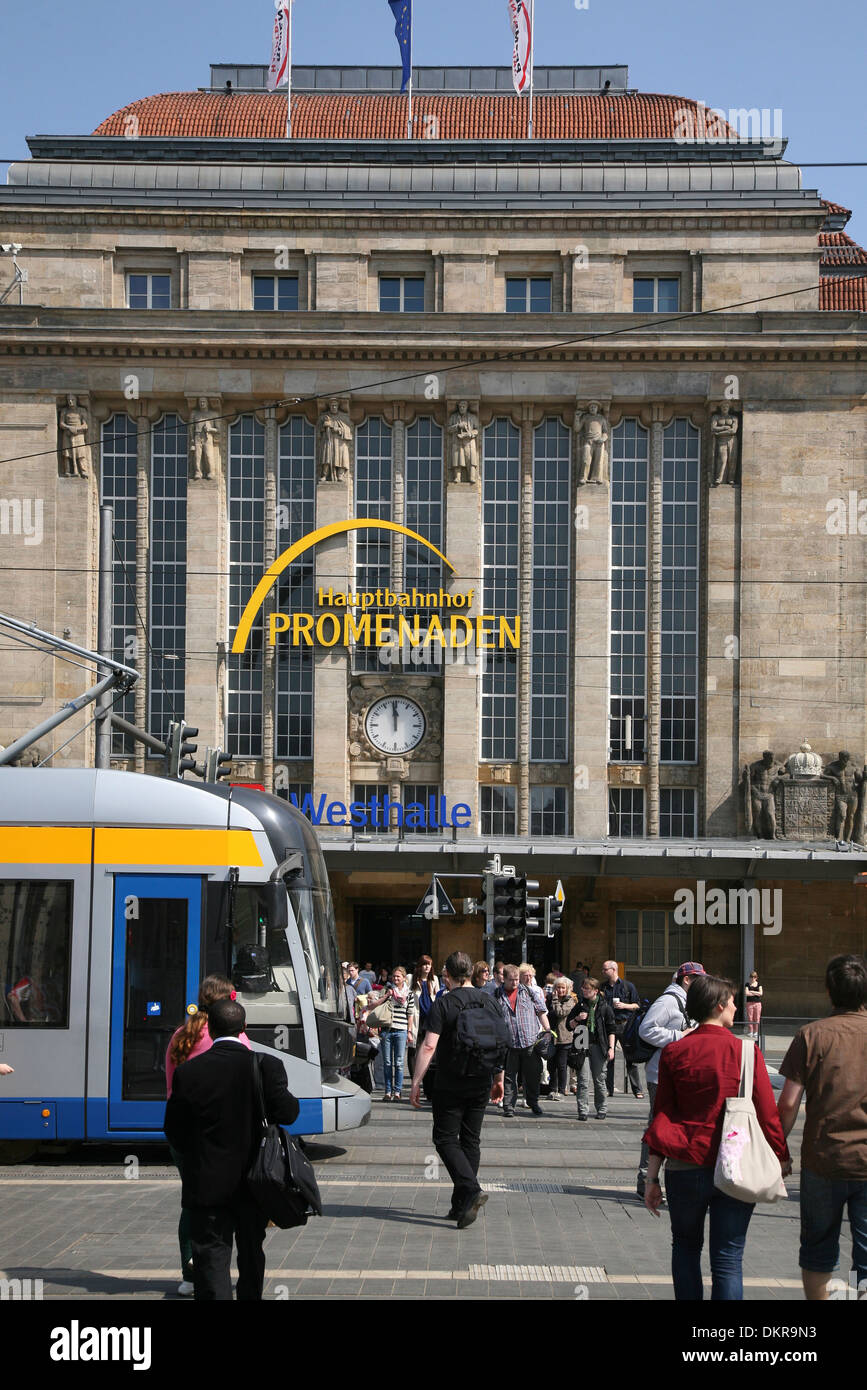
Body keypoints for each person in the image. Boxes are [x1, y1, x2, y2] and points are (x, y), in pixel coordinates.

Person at [644, 975, 789, 1301]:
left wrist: (651, 1177)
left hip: (684, 1163)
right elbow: (768, 1115)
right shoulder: (747, 1052)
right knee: (728, 1258)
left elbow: (662, 1115)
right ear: (720, 1005)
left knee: (684, 1247)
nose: (737, 1006)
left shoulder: (675, 1051)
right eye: (733, 1001)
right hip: (735, 1163)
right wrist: (781, 1157)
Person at [164, 998, 299, 1301]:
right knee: (252, 1251)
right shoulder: (266, 1066)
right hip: (255, 1182)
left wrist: (198, 1159)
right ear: (244, 1029)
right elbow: (289, 1113)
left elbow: (174, 1129)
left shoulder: (190, 1073)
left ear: (209, 1028)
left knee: (211, 1257)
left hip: (208, 1184)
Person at [777, 953, 867, 1300]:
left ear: (829, 991)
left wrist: (779, 1148)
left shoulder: (811, 1035)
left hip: (822, 1160)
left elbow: (788, 1103)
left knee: (817, 1252)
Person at [165, 975, 251, 1296]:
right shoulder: (235, 1040)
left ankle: (189, 1270)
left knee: (191, 1202)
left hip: (184, 1134)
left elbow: (172, 1087)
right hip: (221, 1136)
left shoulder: (180, 1035)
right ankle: (217, 1270)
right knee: (224, 1206)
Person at [410, 950, 507, 1227]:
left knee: (444, 1139)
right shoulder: (489, 1000)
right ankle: (460, 1205)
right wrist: (499, 1079)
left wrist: (417, 1081)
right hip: (482, 1079)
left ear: (448, 976)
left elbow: (429, 1045)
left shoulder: (445, 1003)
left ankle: (471, 1189)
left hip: (451, 1080)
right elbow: (498, 1042)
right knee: (470, 1140)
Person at [636, 962, 705, 1198]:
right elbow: (646, 1029)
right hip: (660, 1074)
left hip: (677, 1073)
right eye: (698, 978)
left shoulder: (688, 1001)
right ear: (686, 980)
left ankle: (660, 1180)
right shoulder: (668, 1001)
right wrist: (678, 1036)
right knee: (658, 1126)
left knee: (669, 1126)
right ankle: (645, 1180)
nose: (702, 983)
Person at [495, 964, 550, 1116]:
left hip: (530, 1041)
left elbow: (541, 1011)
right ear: (503, 979)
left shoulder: (529, 992)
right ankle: (509, 1107)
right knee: (509, 1077)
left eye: (517, 979)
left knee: (532, 1076)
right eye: (511, 980)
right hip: (510, 1043)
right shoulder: (496, 995)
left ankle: (533, 1102)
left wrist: (547, 1030)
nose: (515, 983)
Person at [567, 977, 615, 1120]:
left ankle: (602, 1109)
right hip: (582, 1045)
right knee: (582, 1080)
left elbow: (612, 1029)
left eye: (587, 988)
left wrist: (611, 1048)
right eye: (583, 988)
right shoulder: (580, 1005)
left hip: (599, 1047)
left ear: (595, 991)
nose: (583, 991)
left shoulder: (604, 1007)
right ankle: (583, 1110)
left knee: (599, 1079)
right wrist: (577, 1019)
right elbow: (568, 1026)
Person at [601, 960, 644, 1098]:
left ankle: (637, 1089)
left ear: (614, 970)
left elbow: (637, 1005)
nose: (603, 972)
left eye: (605, 969)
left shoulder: (627, 986)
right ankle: (609, 1089)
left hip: (625, 1024)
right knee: (609, 1057)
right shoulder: (603, 988)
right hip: (609, 1025)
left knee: (630, 1058)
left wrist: (624, 1005)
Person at [378, 966, 417, 1102]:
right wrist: (387, 995)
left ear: (404, 978)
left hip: (401, 1031)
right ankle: (388, 1091)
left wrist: (409, 1031)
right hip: (387, 1030)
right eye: (394, 976)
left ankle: (397, 1092)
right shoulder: (387, 990)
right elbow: (378, 1006)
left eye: (398, 976)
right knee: (387, 1062)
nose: (395, 978)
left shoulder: (409, 994)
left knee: (399, 1063)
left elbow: (410, 1014)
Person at [409, 955, 440, 1089]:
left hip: (430, 1018)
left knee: (428, 1049)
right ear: (420, 966)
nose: (427, 967)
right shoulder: (411, 979)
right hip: (416, 1017)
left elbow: (437, 997)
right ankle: (414, 1081)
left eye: (429, 964)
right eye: (425, 964)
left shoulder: (434, 980)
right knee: (413, 1049)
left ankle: (427, 1082)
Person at [547, 977, 576, 1100]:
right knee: (551, 1065)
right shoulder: (550, 999)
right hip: (551, 1037)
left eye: (563, 987)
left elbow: (560, 1012)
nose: (560, 990)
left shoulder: (570, 1000)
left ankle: (561, 1089)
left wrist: (554, 999)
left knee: (561, 1065)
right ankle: (552, 1089)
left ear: (567, 988)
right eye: (558, 987)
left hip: (564, 1037)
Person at [744, 971, 763, 1038]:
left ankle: (756, 1032)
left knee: (757, 1018)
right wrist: (756, 993)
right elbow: (746, 993)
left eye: (754, 977)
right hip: (749, 1003)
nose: (753, 978)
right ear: (749, 977)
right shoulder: (747, 984)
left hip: (757, 1003)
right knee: (750, 1018)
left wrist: (752, 991)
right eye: (751, 977)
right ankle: (751, 1031)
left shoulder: (759, 984)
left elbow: (761, 993)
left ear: (756, 977)